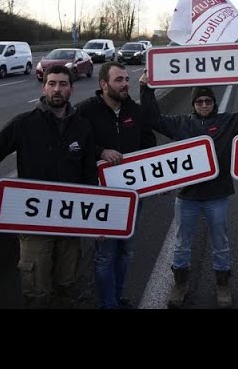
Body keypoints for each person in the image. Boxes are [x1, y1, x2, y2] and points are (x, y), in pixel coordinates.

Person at [139, 66, 238, 309]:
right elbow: (153, 118)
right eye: (199, 101)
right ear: (193, 104)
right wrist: (145, 88)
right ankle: (180, 284)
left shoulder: (227, 122)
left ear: (214, 103)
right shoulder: (180, 123)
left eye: (208, 100)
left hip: (216, 196)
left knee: (221, 243)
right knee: (181, 243)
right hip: (187, 196)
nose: (204, 105)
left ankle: (222, 285)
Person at [0, 65, 98, 309]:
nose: (57, 89)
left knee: (67, 286)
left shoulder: (83, 128)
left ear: (71, 89)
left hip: (69, 224)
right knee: (37, 293)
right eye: (52, 83)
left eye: (63, 84)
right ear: (43, 88)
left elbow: (89, 177)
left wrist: (95, 218)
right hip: (33, 223)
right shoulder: (24, 124)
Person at [76, 61, 156, 309]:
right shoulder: (85, 111)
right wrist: (100, 151)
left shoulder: (135, 110)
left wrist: (158, 178)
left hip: (133, 194)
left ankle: (117, 298)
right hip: (102, 195)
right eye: (119, 80)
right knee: (105, 254)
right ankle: (107, 304)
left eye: (126, 79)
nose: (125, 84)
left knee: (126, 252)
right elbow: (74, 146)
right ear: (103, 84)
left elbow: (149, 143)